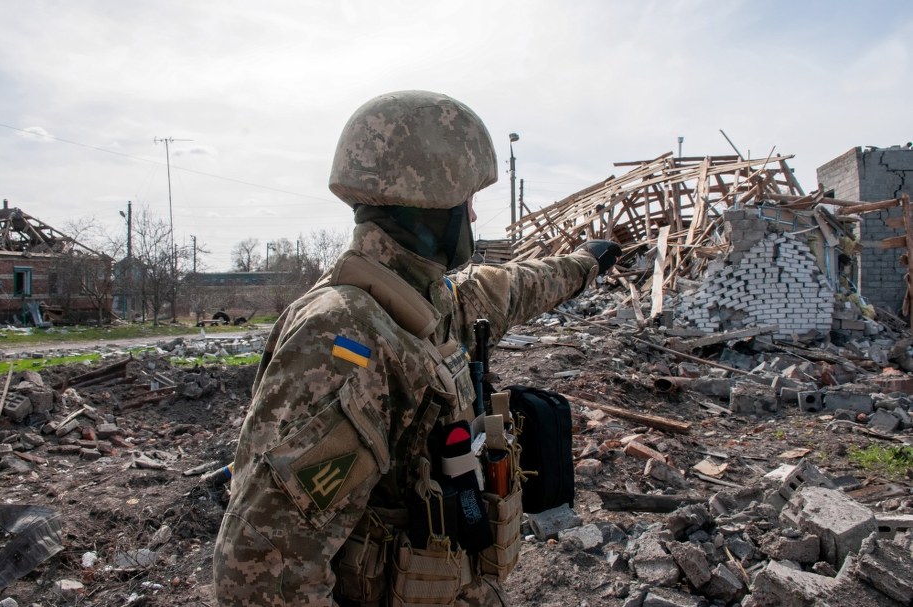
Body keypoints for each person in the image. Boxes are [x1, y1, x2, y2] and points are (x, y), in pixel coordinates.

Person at [213, 90, 621, 607]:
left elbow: (516, 287)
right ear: (431, 201)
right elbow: (260, 571)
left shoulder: (427, 300)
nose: (473, 214)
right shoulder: (345, 335)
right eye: (467, 200)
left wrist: (586, 263)